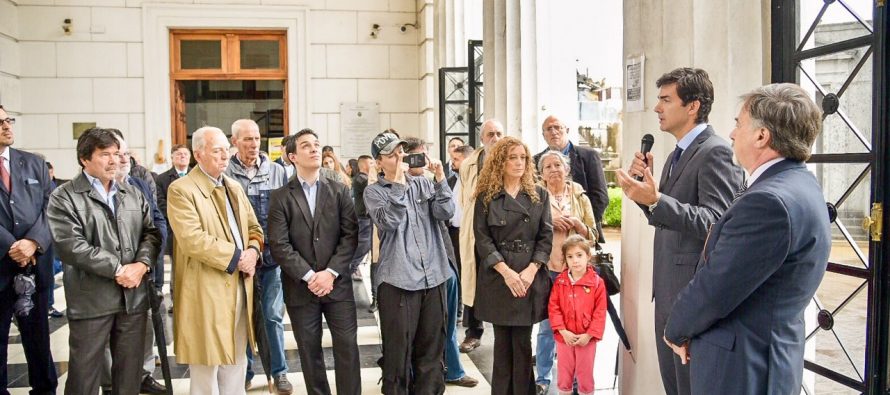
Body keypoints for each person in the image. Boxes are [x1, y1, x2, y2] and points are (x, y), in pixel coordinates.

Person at [664, 83, 831, 394]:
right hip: (765, 357)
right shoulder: (799, 184)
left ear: (761, 136)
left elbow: (716, 286)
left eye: (738, 124)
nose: (731, 133)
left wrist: (676, 329)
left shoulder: (768, 203)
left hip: (743, 368)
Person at [615, 67, 743, 395]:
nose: (657, 107)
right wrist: (646, 197)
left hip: (691, 295)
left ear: (693, 106)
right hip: (668, 293)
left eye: (665, 100)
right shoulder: (676, 153)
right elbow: (669, 216)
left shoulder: (715, 151)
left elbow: (715, 222)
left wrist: (657, 200)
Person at [47, 127, 161, 394]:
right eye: (104, 154)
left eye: (117, 154)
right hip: (91, 301)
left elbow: (151, 233)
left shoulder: (130, 193)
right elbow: (70, 246)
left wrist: (142, 265)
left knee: (129, 378)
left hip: (132, 299)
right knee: (84, 377)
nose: (114, 160)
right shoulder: (65, 196)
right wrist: (119, 269)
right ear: (84, 159)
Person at [166, 126, 263, 394]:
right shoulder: (181, 190)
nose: (225, 156)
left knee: (237, 359)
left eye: (226, 150)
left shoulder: (233, 186)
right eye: (217, 151)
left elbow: (255, 228)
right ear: (198, 154)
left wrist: (253, 252)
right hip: (206, 288)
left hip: (240, 287)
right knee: (206, 363)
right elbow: (192, 239)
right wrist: (237, 257)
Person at [268, 128, 361, 395]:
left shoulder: (340, 190)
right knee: (309, 352)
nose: (314, 149)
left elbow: (350, 236)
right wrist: (310, 276)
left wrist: (330, 273)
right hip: (301, 288)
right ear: (292, 156)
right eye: (306, 146)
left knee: (347, 347)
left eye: (316, 145)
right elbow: (279, 244)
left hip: (338, 285)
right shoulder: (281, 197)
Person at [364, 130, 453, 394]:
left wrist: (439, 180)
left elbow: (445, 212)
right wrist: (398, 184)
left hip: (433, 276)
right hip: (398, 280)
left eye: (400, 152)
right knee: (398, 353)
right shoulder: (374, 193)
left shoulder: (424, 184)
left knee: (432, 350)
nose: (399, 157)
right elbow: (388, 222)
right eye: (391, 155)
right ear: (379, 162)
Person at [473, 136, 553, 395]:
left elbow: (545, 237)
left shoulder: (539, 194)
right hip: (498, 277)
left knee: (522, 344)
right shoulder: (486, 196)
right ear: (500, 162)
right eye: (512, 157)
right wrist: (506, 273)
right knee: (501, 345)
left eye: (523, 158)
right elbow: (482, 240)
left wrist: (530, 271)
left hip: (529, 275)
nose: (519, 163)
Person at [403, 138, 479, 388]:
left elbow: (446, 212)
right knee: (421, 328)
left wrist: (438, 179)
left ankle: (453, 369)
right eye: (415, 157)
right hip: (413, 269)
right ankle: (424, 374)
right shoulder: (393, 185)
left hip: (443, 260)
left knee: (447, 321)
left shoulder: (435, 181)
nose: (421, 162)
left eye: (424, 155)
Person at [224, 119, 291, 393]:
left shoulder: (277, 172)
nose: (253, 144)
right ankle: (247, 371)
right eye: (247, 139)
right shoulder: (225, 173)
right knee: (242, 319)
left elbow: (286, 215)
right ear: (234, 141)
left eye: (256, 138)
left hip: (272, 260)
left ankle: (280, 372)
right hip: (240, 261)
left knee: (272, 316)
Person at [0, 106, 58, 394]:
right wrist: (11, 245)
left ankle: (44, 389)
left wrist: (33, 242)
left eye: (8, 120)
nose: (6, 126)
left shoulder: (34, 163)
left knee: (38, 339)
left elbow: (51, 208)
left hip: (34, 266)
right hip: (1, 263)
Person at [107, 134, 169, 394]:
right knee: (107, 331)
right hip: (110, 275)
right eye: (116, 153)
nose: (123, 158)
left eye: (125, 153)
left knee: (145, 327)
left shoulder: (139, 185)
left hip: (144, 270)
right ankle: (110, 382)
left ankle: (143, 374)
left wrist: (145, 261)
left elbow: (157, 224)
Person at [533, 150, 598, 394]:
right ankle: (543, 377)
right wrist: (550, 225)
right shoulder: (537, 196)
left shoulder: (579, 195)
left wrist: (579, 226)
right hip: (550, 269)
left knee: (576, 327)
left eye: (557, 164)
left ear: (566, 168)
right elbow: (531, 233)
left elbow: (593, 235)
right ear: (541, 173)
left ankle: (572, 380)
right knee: (549, 326)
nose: (553, 169)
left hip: (577, 274)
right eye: (547, 166)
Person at [458, 119, 504, 353]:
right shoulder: (469, 163)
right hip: (475, 229)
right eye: (490, 134)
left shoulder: (512, 159)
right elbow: (464, 197)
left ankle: (503, 329)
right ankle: (473, 331)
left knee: (498, 279)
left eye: (499, 133)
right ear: (482, 138)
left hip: (502, 230)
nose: (495, 138)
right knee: (472, 278)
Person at [533, 115, 608, 243]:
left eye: (557, 127)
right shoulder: (535, 161)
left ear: (567, 130)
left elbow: (600, 197)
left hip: (581, 238)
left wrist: (583, 227)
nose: (554, 132)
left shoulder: (588, 156)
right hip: (546, 239)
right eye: (549, 129)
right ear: (543, 135)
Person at [548, 235, 607, 395]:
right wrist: (562, 331)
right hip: (564, 339)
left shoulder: (597, 283)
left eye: (579, 255)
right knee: (564, 375)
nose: (575, 260)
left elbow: (600, 312)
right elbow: (554, 308)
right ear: (565, 259)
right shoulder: (560, 282)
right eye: (570, 256)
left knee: (585, 376)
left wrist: (589, 335)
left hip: (586, 340)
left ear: (588, 256)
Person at [45, 161, 65, 319]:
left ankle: (48, 304)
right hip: (43, 237)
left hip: (50, 237)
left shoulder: (55, 187)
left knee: (53, 268)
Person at [348, 155, 373, 283]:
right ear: (363, 165)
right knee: (364, 245)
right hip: (363, 219)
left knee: (364, 244)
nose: (373, 164)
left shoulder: (362, 179)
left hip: (365, 218)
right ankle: (350, 268)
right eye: (371, 162)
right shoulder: (361, 179)